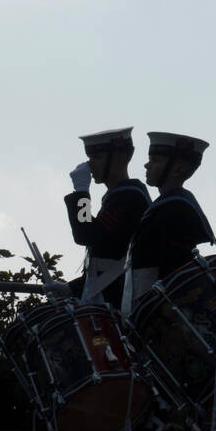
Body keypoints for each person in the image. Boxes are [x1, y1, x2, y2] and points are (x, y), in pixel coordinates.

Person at [116, 132, 216, 431]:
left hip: (159, 337)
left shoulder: (174, 211)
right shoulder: (166, 207)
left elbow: (172, 281)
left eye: (154, 160)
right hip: (147, 331)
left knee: (154, 429)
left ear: (177, 167)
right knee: (146, 430)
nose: (145, 166)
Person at [63, 127, 150, 309]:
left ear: (120, 157)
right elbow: (106, 264)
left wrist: (81, 193)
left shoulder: (128, 198)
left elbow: (86, 234)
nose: (90, 165)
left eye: (97, 158)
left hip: (120, 304)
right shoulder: (117, 197)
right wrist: (70, 288)